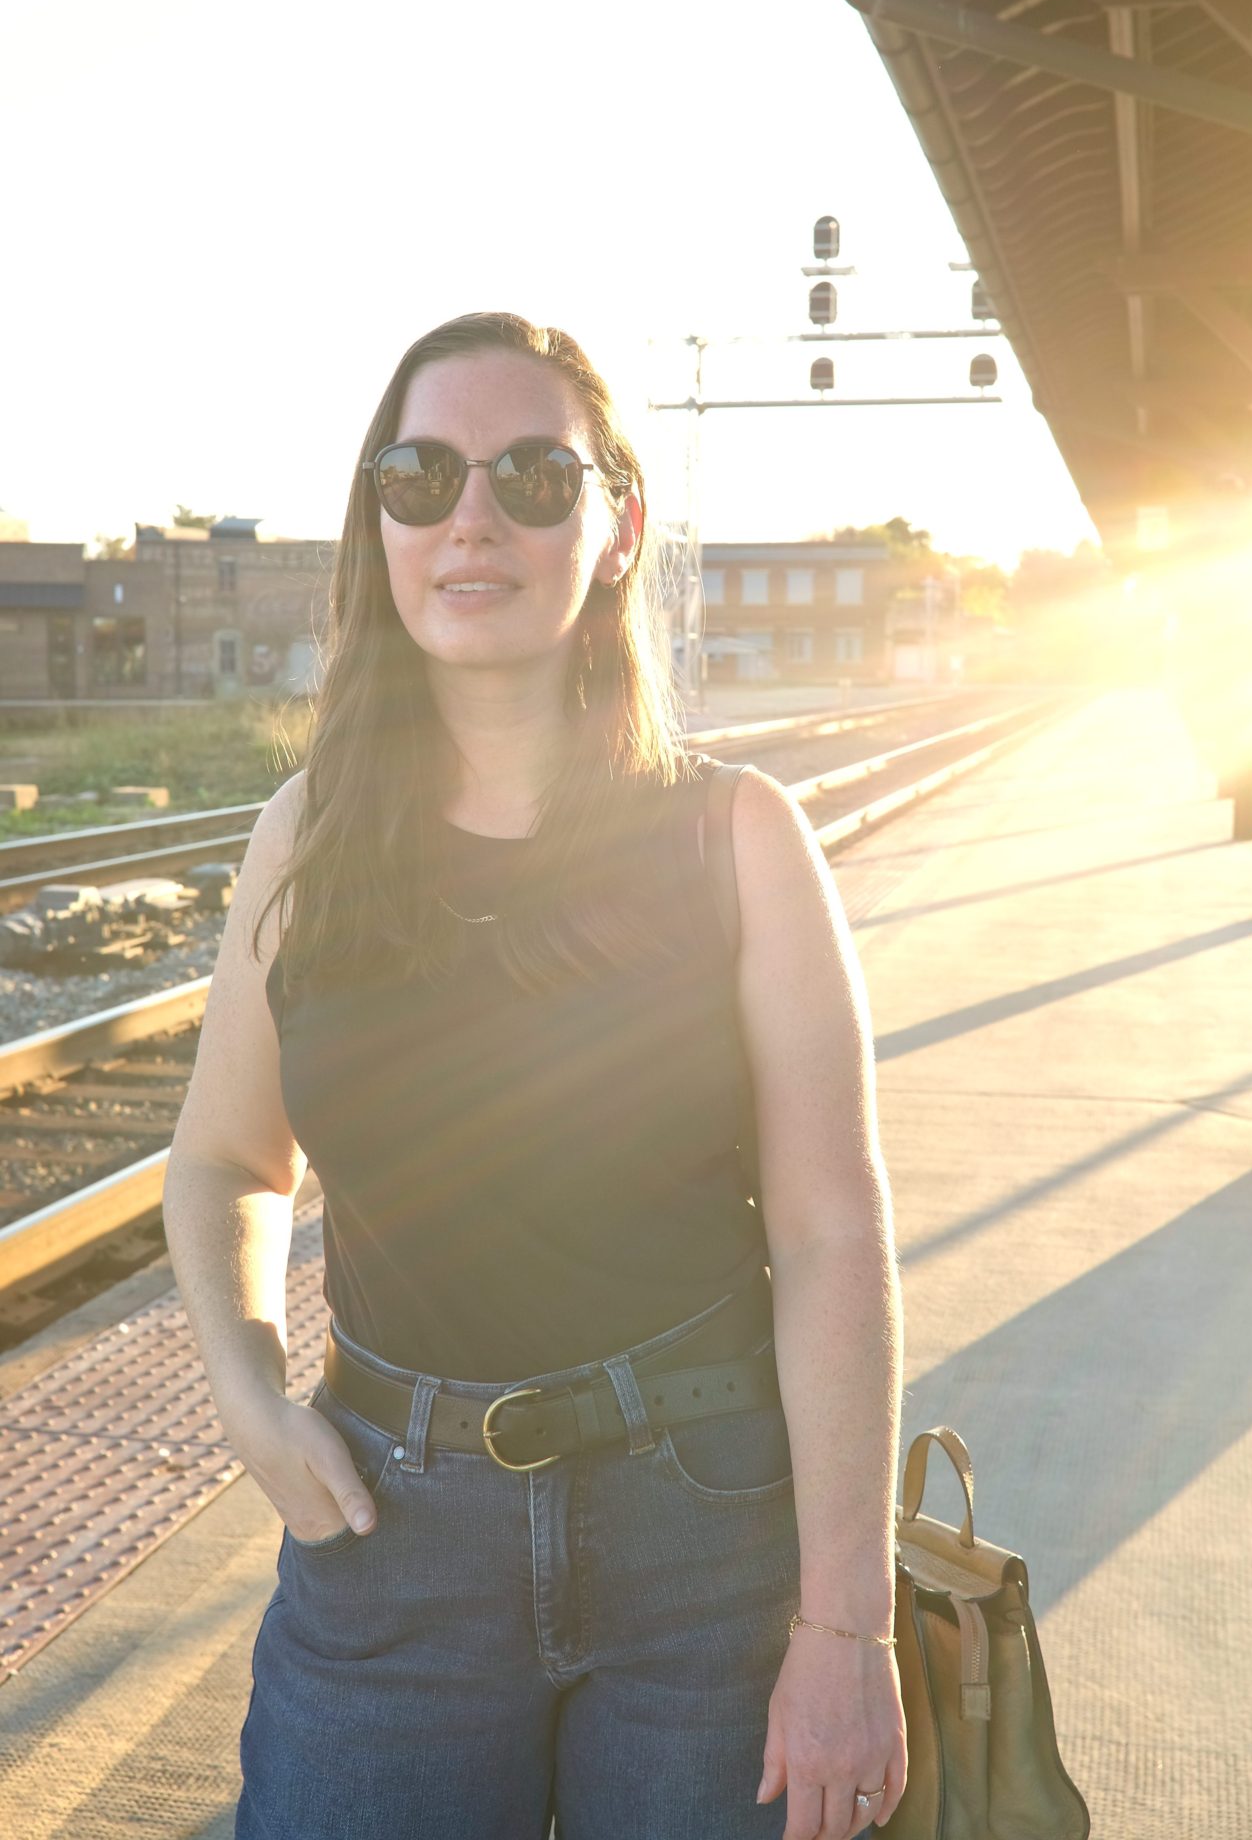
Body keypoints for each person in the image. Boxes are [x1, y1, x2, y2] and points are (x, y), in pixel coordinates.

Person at [163, 311, 907, 1839]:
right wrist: (247, 1396)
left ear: (620, 525)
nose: (471, 519)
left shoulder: (738, 838)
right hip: (389, 1530)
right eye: (421, 475)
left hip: (703, 1543)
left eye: (532, 477)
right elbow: (230, 1161)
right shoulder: (304, 836)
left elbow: (834, 1236)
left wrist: (849, 1629)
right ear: (379, 522)